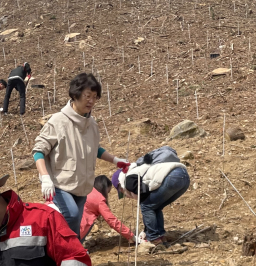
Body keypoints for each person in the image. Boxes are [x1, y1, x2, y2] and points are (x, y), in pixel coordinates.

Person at [33, 72, 129, 234]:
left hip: (82, 186)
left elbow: (94, 149)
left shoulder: (91, 124)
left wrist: (115, 160)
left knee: (76, 225)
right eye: (87, 96)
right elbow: (38, 151)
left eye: (95, 97)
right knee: (71, 215)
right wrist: (45, 178)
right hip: (59, 184)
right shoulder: (58, 121)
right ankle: (64, 254)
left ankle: (71, 255)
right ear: (76, 94)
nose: (91, 101)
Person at [112, 147, 190, 252]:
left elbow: (144, 200)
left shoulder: (128, 180)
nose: (125, 195)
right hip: (183, 177)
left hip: (172, 177)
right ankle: (161, 238)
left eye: (121, 191)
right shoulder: (140, 170)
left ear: (120, 184)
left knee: (146, 206)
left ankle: (154, 240)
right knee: (155, 206)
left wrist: (146, 232)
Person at [80, 175, 135, 243]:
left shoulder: (86, 190)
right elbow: (111, 220)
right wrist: (130, 235)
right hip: (80, 227)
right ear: (104, 188)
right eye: (108, 192)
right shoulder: (99, 199)